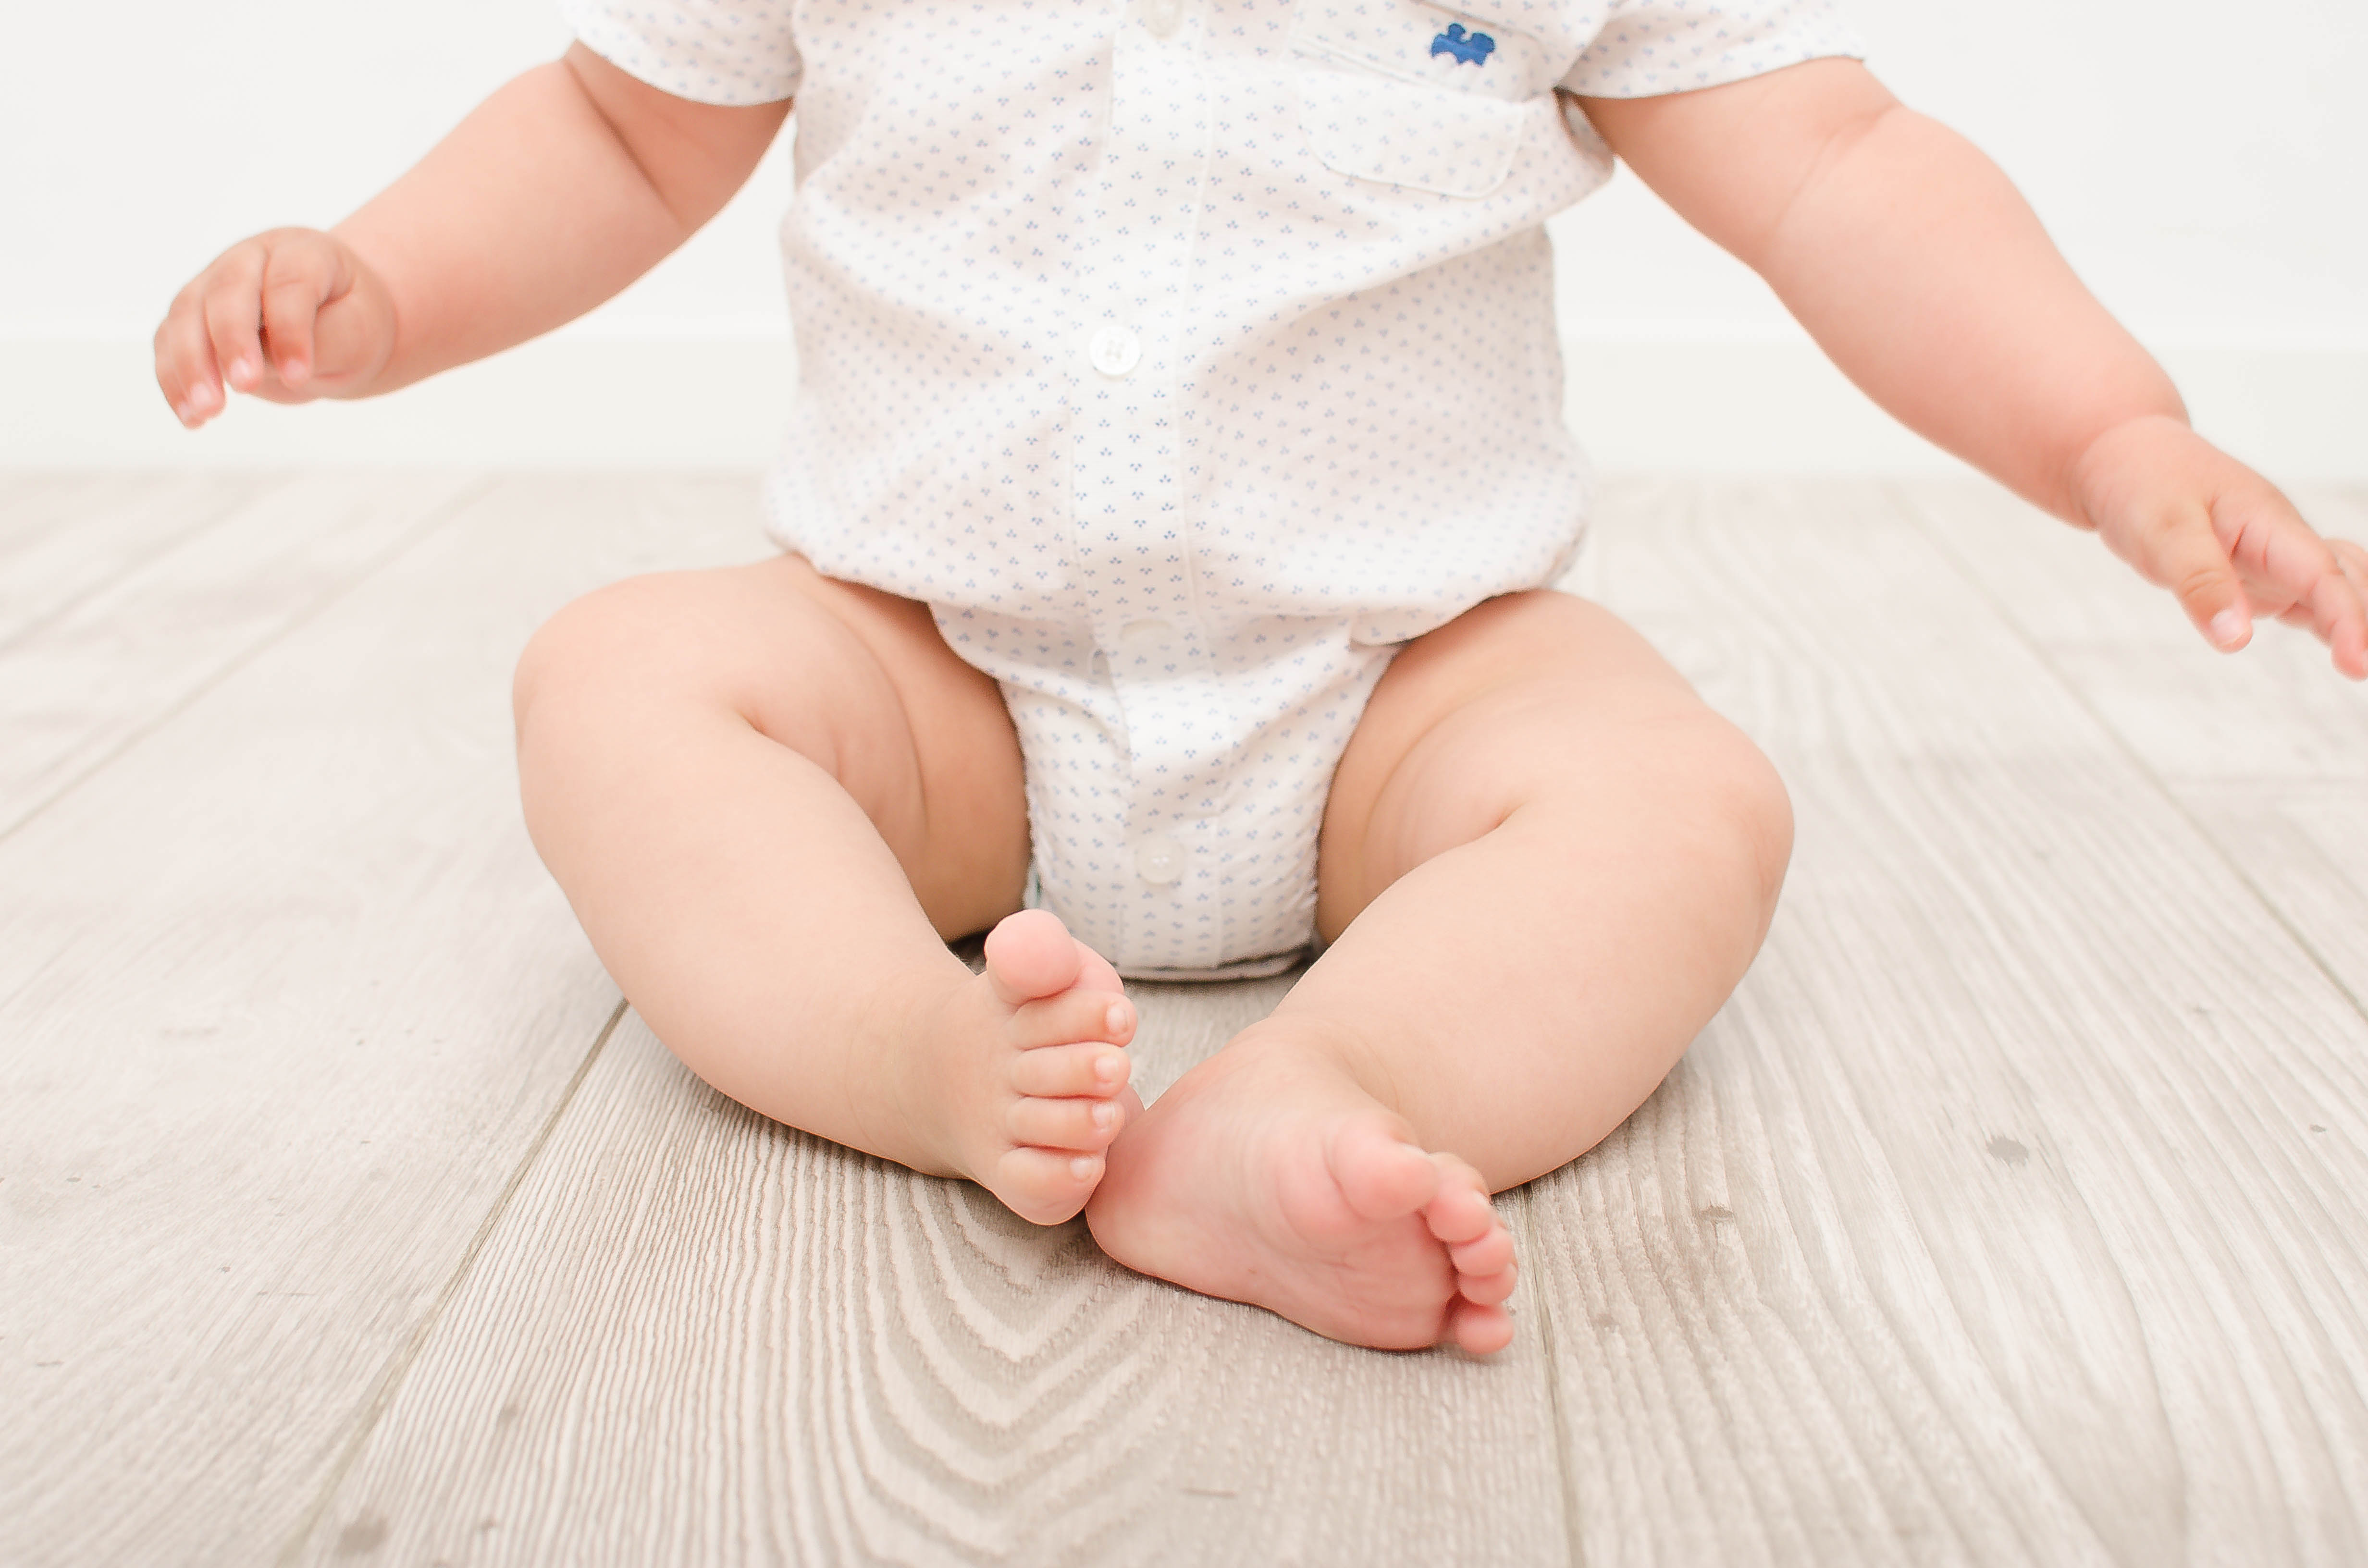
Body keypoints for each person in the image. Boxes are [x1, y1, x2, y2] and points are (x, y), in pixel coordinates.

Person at [152, 0, 2368, 1357]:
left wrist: (2109, 434)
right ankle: (912, 1050)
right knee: (621, 678)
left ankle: (1325, 1089)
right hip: (933, 680)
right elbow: (619, 128)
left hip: (1401, 687)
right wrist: (384, 282)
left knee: (1675, 798)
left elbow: (1836, 170)